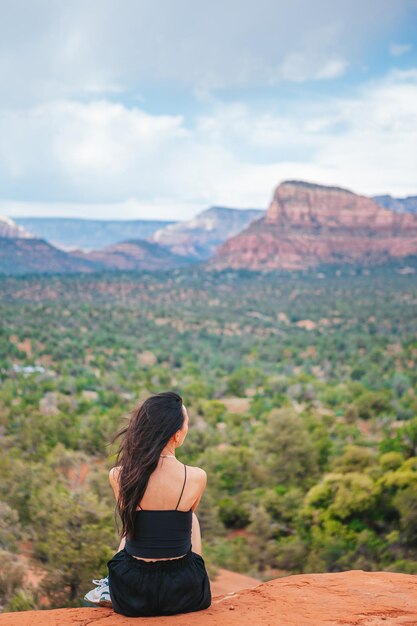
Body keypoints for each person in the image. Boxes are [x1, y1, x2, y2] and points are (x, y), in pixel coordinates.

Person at [85, 391, 211, 617]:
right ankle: (193, 572)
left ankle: (107, 586)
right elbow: (182, 523)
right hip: (186, 592)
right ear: (176, 435)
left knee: (132, 520)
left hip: (132, 594)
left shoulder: (119, 475)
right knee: (190, 518)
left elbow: (131, 527)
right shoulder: (196, 477)